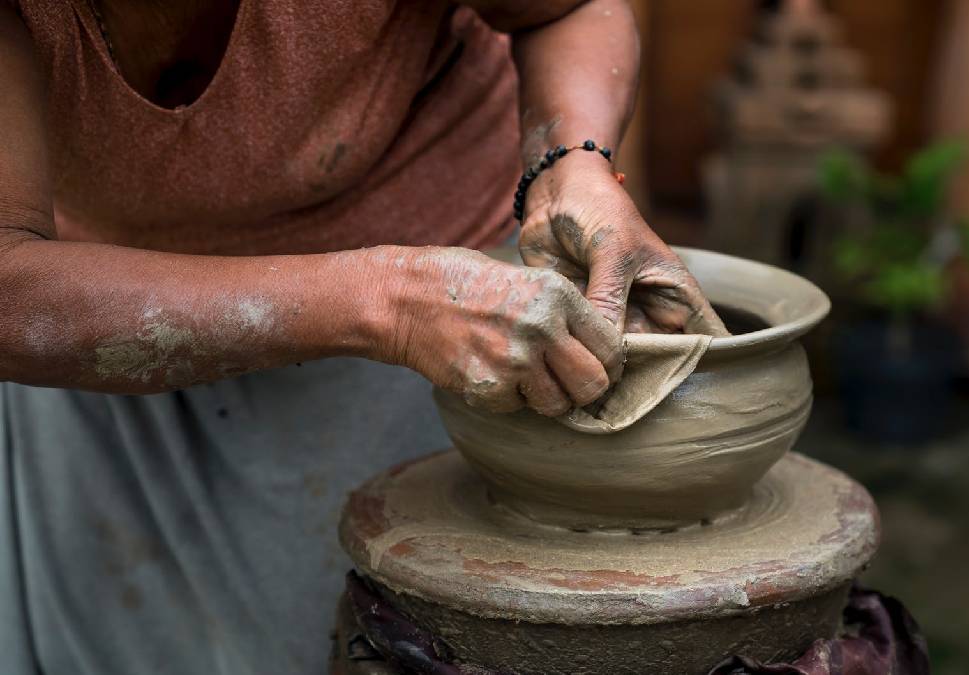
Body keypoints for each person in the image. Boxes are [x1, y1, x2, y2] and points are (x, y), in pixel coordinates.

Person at [0, 1, 726, 672]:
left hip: (451, 293)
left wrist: (573, 161)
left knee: (364, 632)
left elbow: (568, 7)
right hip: (101, 312)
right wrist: (388, 300)